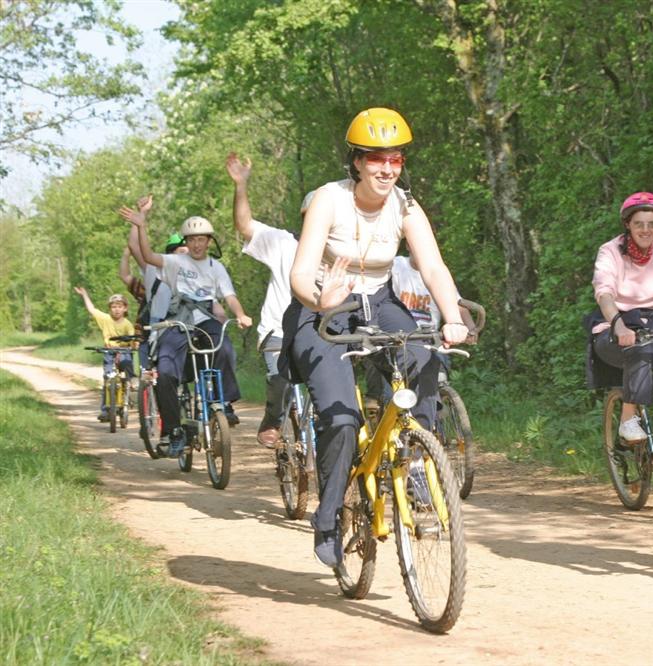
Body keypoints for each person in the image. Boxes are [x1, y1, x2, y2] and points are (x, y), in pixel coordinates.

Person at [282, 107, 467, 567]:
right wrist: (322, 298)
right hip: (323, 307)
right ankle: (327, 517)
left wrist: (452, 313)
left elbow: (432, 266)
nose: (387, 169)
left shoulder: (405, 205)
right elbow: (301, 273)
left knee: (424, 355)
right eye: (376, 159)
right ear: (357, 162)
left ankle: (416, 461)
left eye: (396, 160)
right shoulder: (329, 199)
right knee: (341, 420)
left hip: (379, 302)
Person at [120, 196, 253, 457]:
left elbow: (228, 296)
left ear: (209, 241)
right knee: (166, 372)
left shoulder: (216, 267)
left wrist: (241, 314)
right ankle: (174, 430)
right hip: (176, 322)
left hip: (204, 319)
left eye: (201, 239)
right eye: (191, 240)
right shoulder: (175, 262)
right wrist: (141, 223)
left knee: (224, 347)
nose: (196, 244)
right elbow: (145, 254)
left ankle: (223, 402)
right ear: (185, 242)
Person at [590, 192, 653, 441]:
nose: (645, 230)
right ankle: (628, 419)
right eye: (638, 223)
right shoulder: (610, 251)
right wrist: (618, 325)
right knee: (640, 349)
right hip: (614, 325)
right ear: (627, 225)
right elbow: (604, 292)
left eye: (652, 224)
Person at [226, 152, 304, 448]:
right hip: (279, 330)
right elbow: (245, 225)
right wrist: (240, 185)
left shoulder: (340, 248)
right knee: (280, 379)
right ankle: (273, 421)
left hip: (321, 332)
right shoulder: (285, 242)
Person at [73, 286, 135, 422]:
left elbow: (132, 340)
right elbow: (92, 309)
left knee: (126, 367)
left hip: (124, 352)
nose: (116, 309)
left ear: (125, 309)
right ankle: (106, 410)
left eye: (119, 306)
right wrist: (84, 294)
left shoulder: (127, 324)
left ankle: (128, 386)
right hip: (109, 352)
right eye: (113, 306)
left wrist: (133, 346)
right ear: (109, 309)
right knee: (108, 380)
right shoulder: (105, 319)